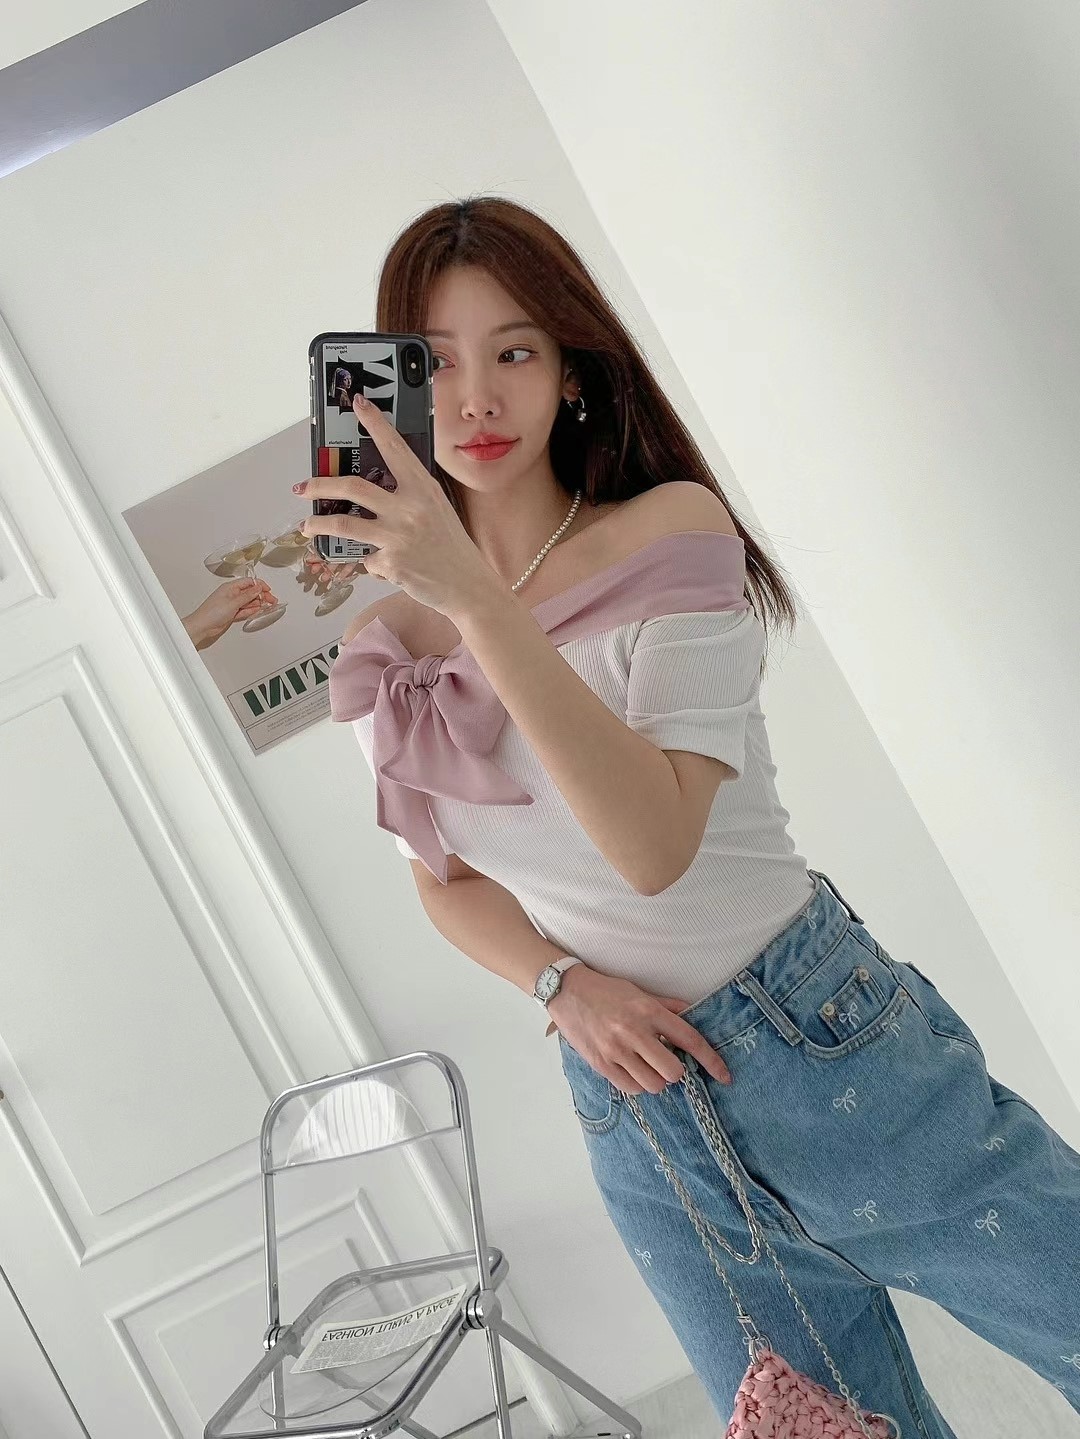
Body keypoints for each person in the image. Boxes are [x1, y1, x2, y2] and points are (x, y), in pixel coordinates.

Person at [323, 197, 1080, 1433]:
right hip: (638, 1108)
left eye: (515, 351)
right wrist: (561, 982)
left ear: (572, 371)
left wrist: (477, 605)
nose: (476, 398)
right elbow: (442, 874)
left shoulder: (668, 531)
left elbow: (653, 847)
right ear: (389, 391)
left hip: (822, 1042)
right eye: (437, 362)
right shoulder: (383, 645)